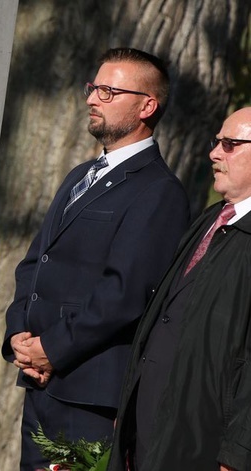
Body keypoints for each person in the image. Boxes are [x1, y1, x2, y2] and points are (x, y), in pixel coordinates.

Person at [2, 47, 190, 470]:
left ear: (147, 105)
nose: (91, 99)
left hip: (89, 395)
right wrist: (19, 337)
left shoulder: (158, 191)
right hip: (39, 382)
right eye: (93, 88)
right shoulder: (78, 177)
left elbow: (123, 294)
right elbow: (34, 264)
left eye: (108, 91)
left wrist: (52, 348)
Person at [108, 107, 251, 470]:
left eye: (231, 145)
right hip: (150, 426)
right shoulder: (210, 218)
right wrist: (128, 406)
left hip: (204, 443)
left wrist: (238, 452)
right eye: (217, 142)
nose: (215, 153)